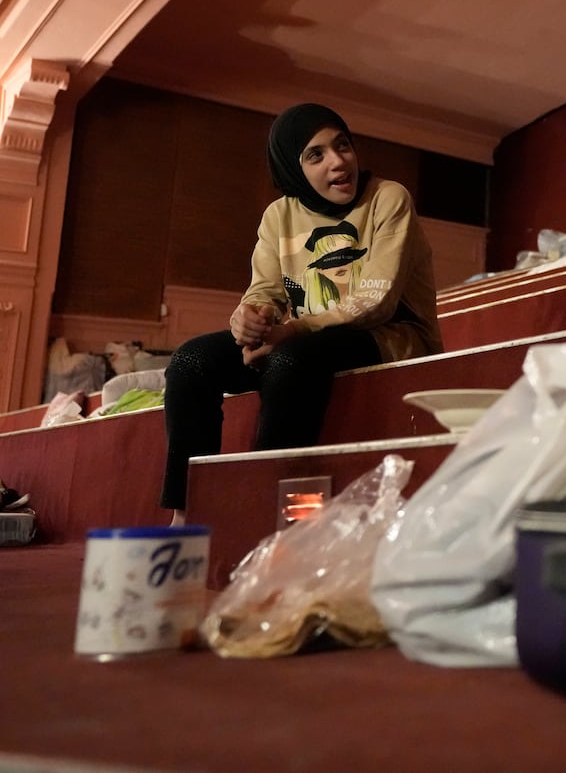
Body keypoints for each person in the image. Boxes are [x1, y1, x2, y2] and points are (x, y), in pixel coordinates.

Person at [160, 103, 442, 522]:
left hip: (390, 335)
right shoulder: (279, 215)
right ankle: (188, 515)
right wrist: (249, 321)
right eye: (316, 155)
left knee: (290, 361)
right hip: (308, 336)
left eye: (342, 145)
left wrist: (292, 330)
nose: (338, 161)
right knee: (189, 362)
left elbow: (376, 300)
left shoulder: (388, 198)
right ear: (293, 169)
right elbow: (265, 290)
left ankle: (268, 511)